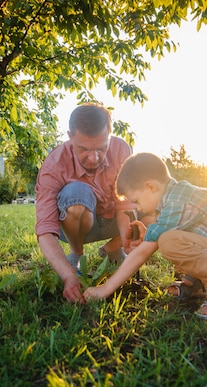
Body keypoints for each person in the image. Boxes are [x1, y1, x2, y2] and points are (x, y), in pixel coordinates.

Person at [83, 152, 207, 321]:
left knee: (169, 241)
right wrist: (148, 234)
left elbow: (145, 250)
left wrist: (106, 288)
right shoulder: (176, 196)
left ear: (151, 186)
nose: (138, 208)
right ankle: (195, 285)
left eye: (136, 201)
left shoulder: (177, 202)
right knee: (170, 237)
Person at [35, 103, 135, 304]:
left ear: (109, 133)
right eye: (83, 149)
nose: (94, 157)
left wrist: (129, 242)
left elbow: (126, 205)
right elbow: (45, 230)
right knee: (76, 193)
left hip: (112, 219)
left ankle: (114, 249)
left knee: (154, 206)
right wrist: (68, 276)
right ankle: (76, 255)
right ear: (70, 136)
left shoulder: (122, 149)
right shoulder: (54, 165)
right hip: (76, 223)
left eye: (101, 148)